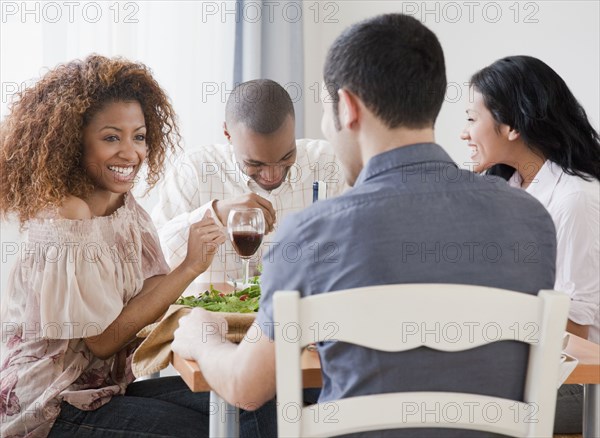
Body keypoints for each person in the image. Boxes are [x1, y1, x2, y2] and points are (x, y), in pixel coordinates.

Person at [172, 14, 558, 437]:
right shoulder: (531, 218)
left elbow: (245, 388)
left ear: (348, 107)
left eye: (325, 110)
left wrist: (201, 338)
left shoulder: (311, 236)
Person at [0, 55, 275, 437]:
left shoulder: (124, 207)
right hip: (51, 405)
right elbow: (103, 341)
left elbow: (149, 288)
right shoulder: (67, 216)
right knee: (215, 429)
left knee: (259, 404)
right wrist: (189, 268)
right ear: (73, 141)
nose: (131, 153)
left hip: (103, 392)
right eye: (111, 137)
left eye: (139, 136)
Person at [461, 55, 600, 434]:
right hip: (528, 368)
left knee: (454, 410)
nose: (464, 133)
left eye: (473, 119)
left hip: (581, 381)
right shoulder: (509, 189)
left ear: (512, 127)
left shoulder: (575, 199)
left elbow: (576, 336)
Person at [152, 79, 346, 288]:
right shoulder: (194, 171)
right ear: (228, 134)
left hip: (303, 316)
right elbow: (155, 261)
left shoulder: (328, 162)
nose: (272, 175)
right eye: (255, 163)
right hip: (213, 318)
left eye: (286, 157)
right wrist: (216, 213)